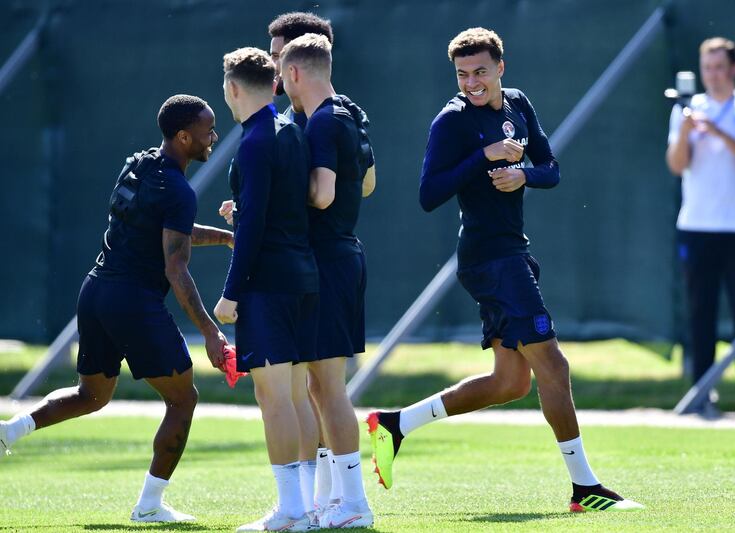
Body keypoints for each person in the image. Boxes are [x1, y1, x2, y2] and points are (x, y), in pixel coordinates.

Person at [367, 27, 644, 513]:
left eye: (480, 72)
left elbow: (551, 168)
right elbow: (429, 194)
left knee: (510, 383)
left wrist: (523, 175)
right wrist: (484, 157)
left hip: (512, 253)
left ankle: (395, 424)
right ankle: (585, 489)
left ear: (500, 67)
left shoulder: (517, 103)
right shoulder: (451, 122)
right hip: (490, 259)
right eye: (462, 75)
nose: (472, 83)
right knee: (554, 365)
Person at [0, 94, 232, 522]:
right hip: (133, 301)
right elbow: (176, 269)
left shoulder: (139, 164)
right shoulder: (179, 189)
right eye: (207, 130)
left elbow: (167, 231)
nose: (213, 136)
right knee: (184, 400)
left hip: (96, 292)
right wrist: (212, 332)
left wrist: (224, 237)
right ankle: (149, 507)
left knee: (92, 395)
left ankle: (8, 431)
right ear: (183, 137)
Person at [213, 47, 319, 532]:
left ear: (234, 88)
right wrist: (247, 207)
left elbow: (255, 226)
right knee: (297, 395)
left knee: (273, 398)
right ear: (275, 84)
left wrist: (232, 292)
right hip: (300, 277)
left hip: (267, 284)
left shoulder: (253, 139)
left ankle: (292, 511)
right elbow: (286, 205)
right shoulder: (290, 130)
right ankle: (307, 507)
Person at [280, 33, 374, 528]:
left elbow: (321, 194)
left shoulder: (321, 121)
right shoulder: (348, 114)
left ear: (295, 72)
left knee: (328, 389)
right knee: (321, 388)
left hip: (329, 262)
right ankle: (336, 500)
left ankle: (355, 502)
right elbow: (367, 183)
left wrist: (272, 202)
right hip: (342, 255)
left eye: (281, 71)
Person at [666, 37, 735, 417]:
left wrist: (719, 132)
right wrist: (685, 131)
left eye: (718, 67)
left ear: (733, 69)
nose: (712, 75)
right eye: (706, 67)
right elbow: (677, 166)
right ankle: (702, 392)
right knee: (701, 311)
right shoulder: (686, 110)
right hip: (697, 227)